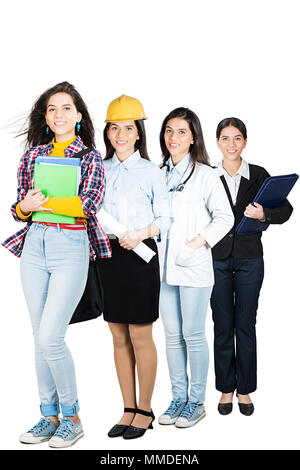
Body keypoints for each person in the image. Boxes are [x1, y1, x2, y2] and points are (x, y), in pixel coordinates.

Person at [2, 81, 111, 447]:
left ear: (79, 116)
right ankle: (48, 415)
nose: (58, 114)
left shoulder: (90, 157)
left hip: (70, 246)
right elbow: (19, 208)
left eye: (66, 108)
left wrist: (43, 202)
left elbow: (87, 206)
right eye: (52, 109)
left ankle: (73, 416)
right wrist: (27, 206)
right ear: (46, 118)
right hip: (35, 245)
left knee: (52, 336)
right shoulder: (32, 156)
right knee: (39, 338)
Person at [98, 95, 172, 439]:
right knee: (117, 335)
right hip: (109, 256)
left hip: (141, 253)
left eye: (128, 128)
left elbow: (166, 218)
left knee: (141, 334)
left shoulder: (151, 171)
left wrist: (140, 234)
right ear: (108, 133)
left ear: (139, 133)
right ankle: (127, 408)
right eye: (115, 128)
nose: (121, 134)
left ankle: (145, 408)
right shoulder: (100, 168)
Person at [211, 117, 293, 416]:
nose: (231, 144)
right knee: (222, 325)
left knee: (244, 324)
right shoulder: (207, 175)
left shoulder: (259, 175)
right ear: (217, 142)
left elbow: (285, 210)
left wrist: (263, 216)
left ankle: (244, 390)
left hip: (249, 258)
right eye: (225, 138)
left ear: (245, 141)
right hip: (216, 259)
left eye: (237, 138)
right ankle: (225, 389)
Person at [157, 107, 234, 428]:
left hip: (194, 267)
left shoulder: (206, 175)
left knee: (193, 334)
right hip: (161, 269)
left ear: (193, 139)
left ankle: (197, 401)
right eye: (169, 131)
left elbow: (225, 218)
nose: (174, 138)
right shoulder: (157, 172)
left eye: (182, 132)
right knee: (172, 336)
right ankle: (177, 399)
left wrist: (194, 245)